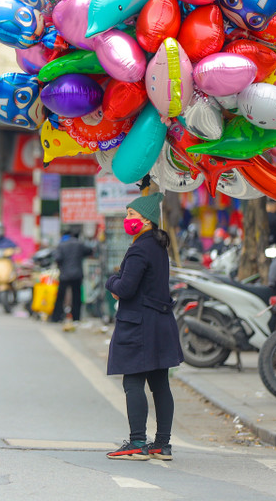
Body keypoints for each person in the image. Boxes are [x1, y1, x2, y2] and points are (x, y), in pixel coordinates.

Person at [105, 192, 182, 461]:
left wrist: (111, 282)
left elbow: (125, 288)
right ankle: (162, 444)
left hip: (139, 325)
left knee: (133, 381)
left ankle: (137, 441)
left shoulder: (139, 249)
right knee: (160, 384)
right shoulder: (159, 246)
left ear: (147, 220)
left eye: (131, 215)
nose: (127, 219)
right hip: (160, 322)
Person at [52, 227, 95, 331]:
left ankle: (56, 317)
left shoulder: (61, 245)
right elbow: (89, 251)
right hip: (77, 274)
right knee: (76, 297)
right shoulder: (79, 244)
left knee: (60, 297)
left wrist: (61, 267)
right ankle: (76, 317)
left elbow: (57, 258)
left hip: (65, 275)